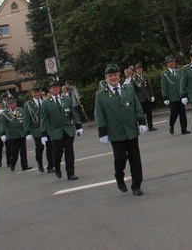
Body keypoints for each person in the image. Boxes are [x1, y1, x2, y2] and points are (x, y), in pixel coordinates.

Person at [95, 64, 148, 196]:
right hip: (115, 133)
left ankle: (136, 185)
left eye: (115, 75)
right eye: (110, 76)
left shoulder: (128, 89)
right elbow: (99, 114)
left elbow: (137, 106)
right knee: (120, 158)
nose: (113, 77)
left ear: (119, 76)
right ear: (106, 78)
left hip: (131, 130)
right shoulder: (100, 95)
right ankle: (119, 177)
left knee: (135, 159)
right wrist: (102, 133)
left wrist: (142, 122)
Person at [40, 78, 82, 180]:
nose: (55, 88)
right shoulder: (46, 103)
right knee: (58, 152)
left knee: (69, 152)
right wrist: (43, 133)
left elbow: (73, 113)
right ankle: (57, 167)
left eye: (56, 87)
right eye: (53, 87)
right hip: (55, 131)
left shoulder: (66, 99)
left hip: (67, 129)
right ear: (49, 90)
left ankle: (70, 173)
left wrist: (78, 126)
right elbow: (43, 119)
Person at [24, 84, 54, 173]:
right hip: (36, 129)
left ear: (41, 92)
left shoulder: (45, 101)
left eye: (38, 92)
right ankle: (40, 163)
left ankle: (50, 166)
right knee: (39, 147)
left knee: (50, 147)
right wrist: (27, 132)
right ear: (32, 93)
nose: (37, 94)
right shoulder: (28, 105)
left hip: (47, 128)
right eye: (35, 92)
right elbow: (27, 119)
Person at [0, 96, 32, 172]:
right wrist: (3, 134)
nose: (13, 104)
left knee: (23, 151)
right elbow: (2, 124)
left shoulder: (20, 110)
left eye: (14, 103)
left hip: (22, 133)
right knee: (14, 151)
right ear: (8, 105)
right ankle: (12, 163)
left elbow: (25, 120)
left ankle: (25, 166)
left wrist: (28, 131)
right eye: (10, 103)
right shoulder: (4, 113)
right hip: (12, 135)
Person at [160, 56, 190, 135]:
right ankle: (171, 126)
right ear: (167, 64)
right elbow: (164, 86)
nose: (174, 63)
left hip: (180, 96)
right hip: (172, 97)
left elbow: (182, 83)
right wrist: (165, 97)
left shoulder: (178, 71)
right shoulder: (164, 74)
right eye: (171, 62)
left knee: (182, 113)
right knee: (174, 113)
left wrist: (184, 94)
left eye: (174, 61)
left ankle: (184, 129)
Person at [131, 63, 157, 131]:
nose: (139, 70)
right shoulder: (134, 78)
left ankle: (150, 126)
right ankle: (143, 126)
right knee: (142, 114)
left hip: (147, 97)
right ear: (136, 70)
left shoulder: (145, 76)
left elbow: (149, 87)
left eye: (140, 68)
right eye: (138, 69)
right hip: (140, 98)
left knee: (149, 113)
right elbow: (133, 89)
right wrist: (135, 98)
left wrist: (152, 95)